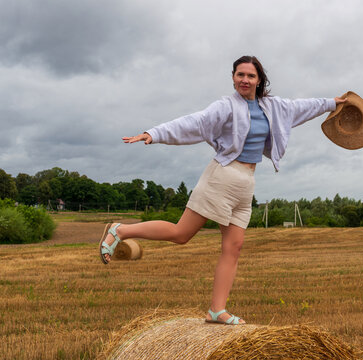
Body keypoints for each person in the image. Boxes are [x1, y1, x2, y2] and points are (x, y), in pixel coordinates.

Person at [99, 55, 347, 325]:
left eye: (250, 76)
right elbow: (194, 122)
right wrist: (155, 133)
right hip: (222, 176)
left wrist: (332, 103)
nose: (245, 80)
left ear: (259, 80)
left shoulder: (273, 107)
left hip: (247, 183)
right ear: (232, 77)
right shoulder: (225, 106)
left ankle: (217, 310)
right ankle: (120, 231)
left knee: (234, 246)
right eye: (240, 75)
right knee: (182, 233)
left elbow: (302, 107)